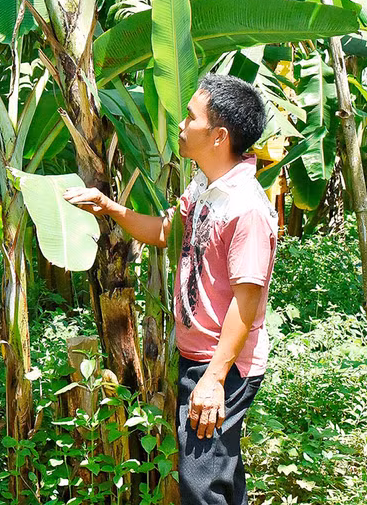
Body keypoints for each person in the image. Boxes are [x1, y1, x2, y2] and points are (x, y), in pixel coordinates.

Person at [64, 75, 276, 505]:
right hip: (200, 356)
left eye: (190, 117)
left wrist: (215, 379)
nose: (180, 124)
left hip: (224, 364)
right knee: (220, 472)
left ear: (218, 136)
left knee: (202, 483)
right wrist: (110, 207)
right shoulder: (205, 187)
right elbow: (165, 232)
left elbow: (247, 300)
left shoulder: (246, 206)